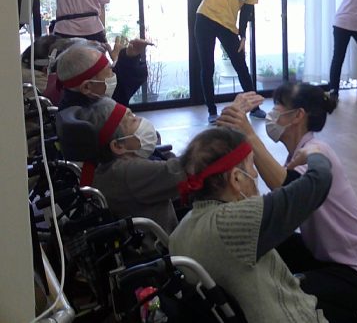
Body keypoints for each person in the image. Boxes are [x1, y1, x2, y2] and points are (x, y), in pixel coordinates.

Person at [219, 83, 357, 322]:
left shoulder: (317, 151)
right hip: (328, 256)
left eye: (278, 106)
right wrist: (231, 121)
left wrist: (248, 133)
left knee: (288, 294)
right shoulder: (296, 154)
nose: (272, 113)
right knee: (269, 244)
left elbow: (287, 186)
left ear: (298, 115)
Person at [170, 121, 333, 322]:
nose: (255, 174)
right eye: (251, 165)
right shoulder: (233, 222)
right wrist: (314, 152)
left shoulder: (179, 233)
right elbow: (318, 182)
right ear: (236, 178)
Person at [62, 97, 185, 233]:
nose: (140, 120)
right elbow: (184, 170)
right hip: (163, 242)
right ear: (118, 146)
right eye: (132, 120)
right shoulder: (128, 172)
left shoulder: (104, 167)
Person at [195, 0, 268, 124]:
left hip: (227, 25)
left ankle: (255, 108)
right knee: (207, 67)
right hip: (205, 17)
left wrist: (243, 35)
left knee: (241, 66)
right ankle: (212, 111)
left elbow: (246, 12)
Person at [55, 39, 151, 109]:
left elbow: (122, 85)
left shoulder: (87, 98)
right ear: (87, 87)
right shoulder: (96, 119)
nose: (114, 75)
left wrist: (130, 58)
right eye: (110, 71)